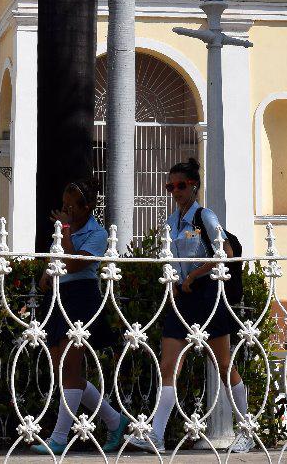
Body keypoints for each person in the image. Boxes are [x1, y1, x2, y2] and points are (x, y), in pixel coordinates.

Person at [133, 159, 255, 454]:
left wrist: (195, 275)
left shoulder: (205, 216)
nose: (175, 191)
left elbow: (223, 252)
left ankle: (247, 429)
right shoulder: (172, 222)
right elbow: (172, 261)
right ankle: (157, 435)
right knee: (169, 365)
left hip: (206, 295)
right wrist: (176, 282)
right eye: (170, 186)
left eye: (181, 185)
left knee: (224, 365)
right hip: (182, 297)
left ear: (193, 186)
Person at [40, 179, 127, 454]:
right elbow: (51, 268)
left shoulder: (97, 234)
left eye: (70, 207)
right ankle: (115, 420)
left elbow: (75, 263)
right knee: (63, 371)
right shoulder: (62, 231)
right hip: (58, 298)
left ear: (87, 207)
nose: (65, 211)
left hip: (81, 299)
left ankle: (59, 438)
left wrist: (64, 230)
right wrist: (46, 275)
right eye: (63, 206)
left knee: (70, 368)